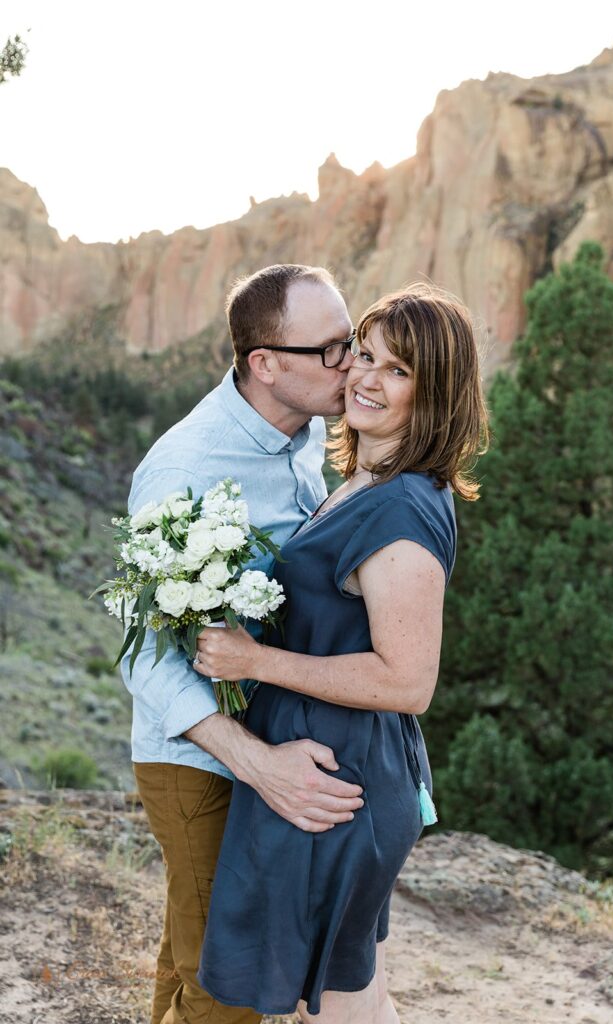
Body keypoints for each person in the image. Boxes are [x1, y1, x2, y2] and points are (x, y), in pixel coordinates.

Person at [193, 283, 490, 1023]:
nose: (364, 376)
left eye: (396, 370)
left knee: (334, 1004)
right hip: (329, 769)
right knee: (342, 993)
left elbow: (408, 680)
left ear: (435, 394)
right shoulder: (367, 481)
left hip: (338, 785)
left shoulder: (400, 512)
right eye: (364, 354)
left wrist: (255, 662)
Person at [121, 264, 367, 1024]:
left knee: (191, 952)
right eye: (330, 349)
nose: (350, 362)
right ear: (264, 365)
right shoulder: (183, 470)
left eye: (351, 338)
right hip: (200, 759)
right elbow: (144, 656)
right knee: (227, 985)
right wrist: (258, 764)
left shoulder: (306, 429)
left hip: (270, 738)